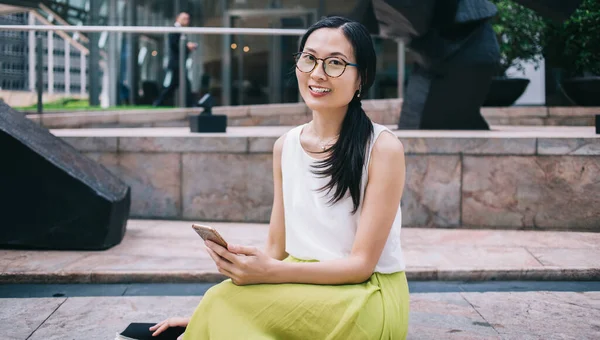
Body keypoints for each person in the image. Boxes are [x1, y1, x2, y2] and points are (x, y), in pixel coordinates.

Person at [150, 16, 409, 339]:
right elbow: (276, 246)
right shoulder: (285, 146)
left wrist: (265, 277)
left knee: (222, 305)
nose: (317, 73)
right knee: (219, 301)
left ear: (362, 79)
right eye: (309, 58)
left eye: (335, 63)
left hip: (366, 295)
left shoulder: (382, 148)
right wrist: (212, 307)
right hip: (300, 285)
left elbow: (361, 265)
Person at [153, 12, 198, 107]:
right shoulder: (174, 30)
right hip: (177, 64)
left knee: (173, 86)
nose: (187, 21)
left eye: (188, 18)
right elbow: (175, 46)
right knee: (184, 85)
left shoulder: (180, 31)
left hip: (180, 64)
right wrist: (187, 47)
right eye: (184, 18)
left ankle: (158, 103)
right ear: (178, 18)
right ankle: (191, 104)